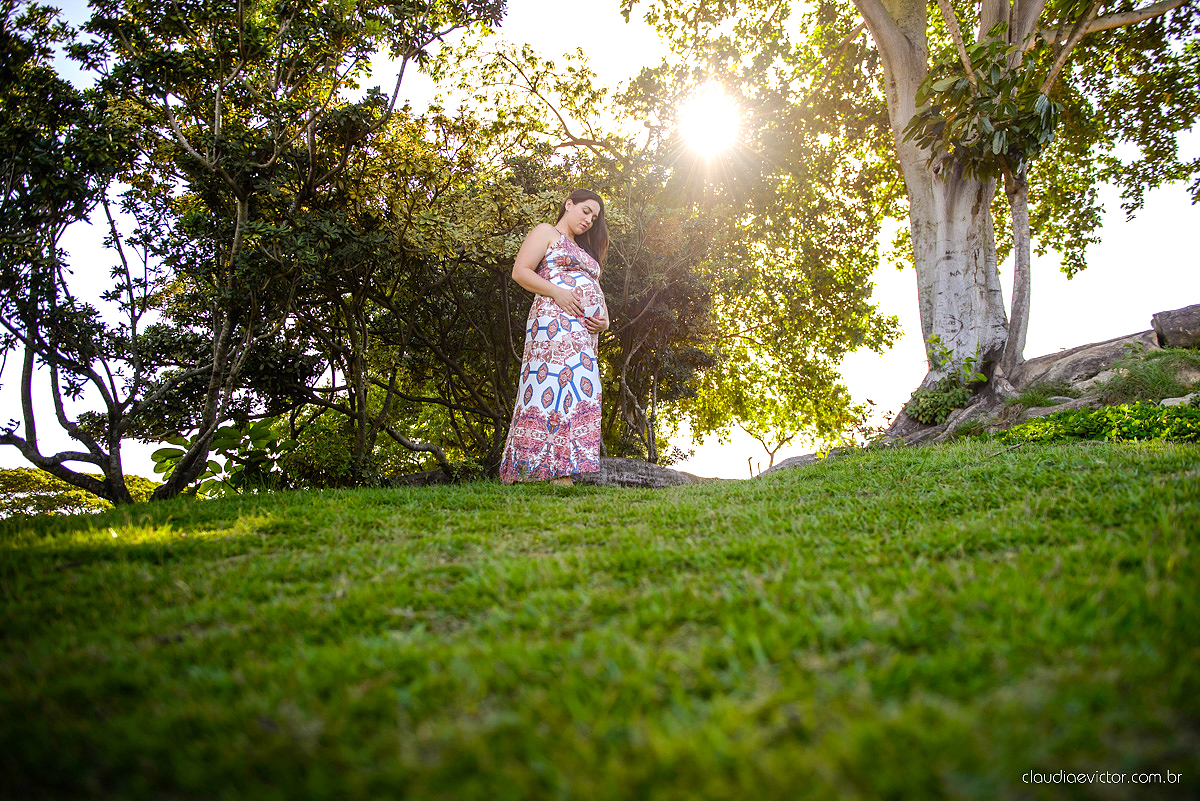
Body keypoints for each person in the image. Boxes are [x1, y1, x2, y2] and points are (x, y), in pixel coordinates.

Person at [499, 189, 610, 486]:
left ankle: (560, 468)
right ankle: (538, 472)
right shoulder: (547, 232)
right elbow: (520, 272)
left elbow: (594, 287)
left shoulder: (583, 251)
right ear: (569, 204)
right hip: (552, 322)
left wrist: (605, 319)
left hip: (583, 332)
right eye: (585, 211)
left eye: (594, 217)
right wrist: (557, 292)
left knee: (580, 391)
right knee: (548, 386)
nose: (589, 220)